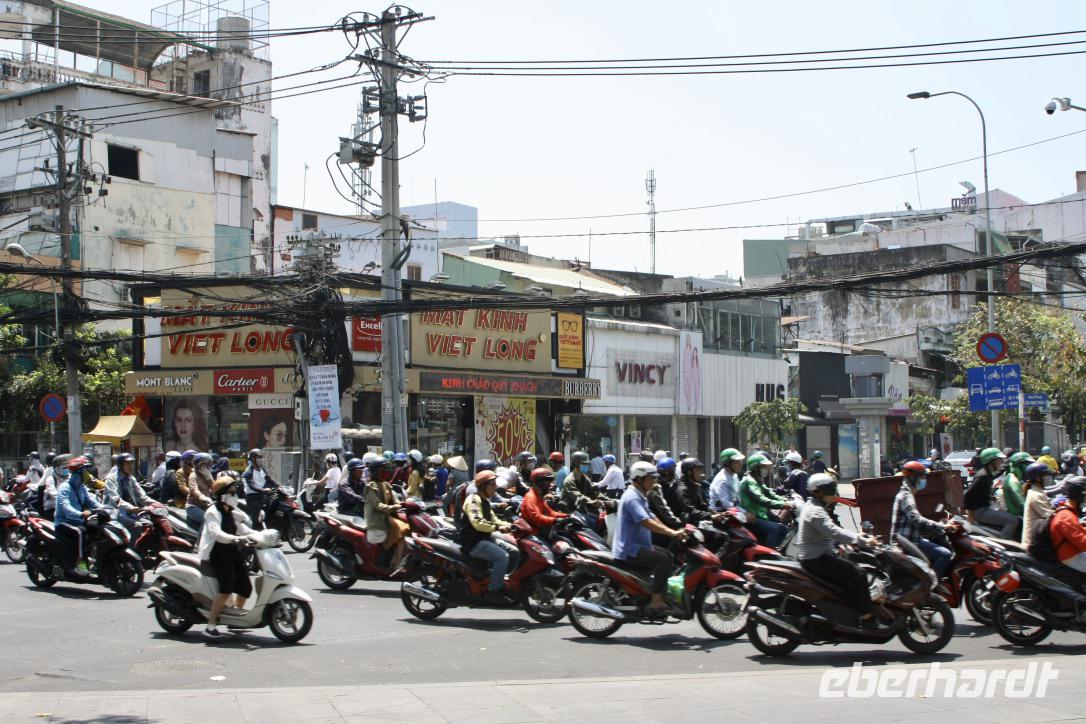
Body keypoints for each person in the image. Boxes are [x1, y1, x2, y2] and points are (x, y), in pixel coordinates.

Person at [796, 473, 883, 629]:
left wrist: (857, 536)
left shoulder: (815, 507)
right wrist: (863, 540)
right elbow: (834, 532)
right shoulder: (816, 511)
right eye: (829, 490)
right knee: (859, 574)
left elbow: (832, 531)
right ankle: (866, 618)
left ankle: (850, 610)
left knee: (850, 570)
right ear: (817, 492)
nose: (833, 494)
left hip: (819, 556)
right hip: (816, 560)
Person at [613, 461, 687, 615]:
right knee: (663, 559)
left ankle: (651, 592)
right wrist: (670, 532)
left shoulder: (640, 495)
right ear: (639, 478)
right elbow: (645, 521)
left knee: (668, 554)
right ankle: (656, 600)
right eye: (651, 478)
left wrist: (673, 530)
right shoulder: (632, 497)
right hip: (630, 549)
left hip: (639, 546)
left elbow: (652, 517)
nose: (654, 481)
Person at [199, 474, 257, 638]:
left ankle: (234, 618)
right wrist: (236, 538)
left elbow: (243, 529)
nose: (235, 495)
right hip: (217, 553)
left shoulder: (230, 511)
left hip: (231, 551)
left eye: (235, 492)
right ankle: (210, 626)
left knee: (246, 587)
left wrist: (262, 536)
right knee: (226, 589)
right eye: (231, 492)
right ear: (222, 495)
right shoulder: (212, 512)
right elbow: (216, 534)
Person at [459, 470, 520, 603]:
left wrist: (511, 525)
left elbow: (494, 519)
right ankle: (494, 589)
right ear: (482, 486)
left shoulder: (485, 501)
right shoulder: (473, 500)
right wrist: (498, 527)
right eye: (492, 484)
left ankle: (498, 579)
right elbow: (478, 523)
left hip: (485, 538)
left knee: (514, 552)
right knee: (502, 557)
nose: (495, 487)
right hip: (473, 542)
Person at [891, 461, 953, 577]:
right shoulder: (906, 496)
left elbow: (916, 523)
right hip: (908, 543)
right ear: (913, 478)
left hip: (912, 539)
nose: (924, 480)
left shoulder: (906, 494)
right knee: (945, 554)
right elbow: (916, 519)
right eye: (922, 476)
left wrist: (936, 525)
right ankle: (931, 588)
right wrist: (941, 526)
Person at [53, 456, 103, 575]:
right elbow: (66, 508)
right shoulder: (64, 488)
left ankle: (95, 559)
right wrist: (81, 514)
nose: (88, 473)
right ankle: (79, 563)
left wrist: (103, 508)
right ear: (79, 472)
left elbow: (91, 501)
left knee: (100, 528)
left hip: (79, 520)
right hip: (64, 522)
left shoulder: (81, 487)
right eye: (85, 470)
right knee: (81, 532)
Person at [739, 454, 793, 548]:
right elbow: (760, 498)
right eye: (764, 467)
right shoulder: (749, 481)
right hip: (752, 517)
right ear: (756, 468)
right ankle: (767, 555)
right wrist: (782, 504)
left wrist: (785, 500)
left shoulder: (758, 479)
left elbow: (769, 493)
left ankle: (774, 549)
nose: (767, 470)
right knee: (774, 528)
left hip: (760, 515)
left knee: (783, 529)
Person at [964, 447, 1019, 539]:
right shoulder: (982, 476)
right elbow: (967, 495)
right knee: (1013, 520)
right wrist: (970, 515)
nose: (1001, 462)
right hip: (981, 511)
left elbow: (996, 474)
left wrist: (1007, 465)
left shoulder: (987, 473)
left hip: (986, 508)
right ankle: (1004, 543)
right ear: (991, 461)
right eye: (999, 460)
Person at [364, 454, 407, 568]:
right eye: (383, 469)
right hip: (378, 520)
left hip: (386, 517)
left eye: (387, 469)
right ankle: (396, 564)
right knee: (402, 532)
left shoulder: (385, 484)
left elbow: (395, 499)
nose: (386, 472)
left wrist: (402, 503)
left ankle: (395, 561)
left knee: (406, 530)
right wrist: (393, 507)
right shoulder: (371, 486)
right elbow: (378, 505)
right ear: (376, 471)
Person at [665, 458, 720, 526]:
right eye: (698, 470)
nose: (701, 473)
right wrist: (710, 516)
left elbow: (702, 505)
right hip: (682, 527)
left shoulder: (694, 486)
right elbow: (690, 510)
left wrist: (716, 513)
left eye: (701, 470)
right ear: (689, 472)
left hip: (695, 522)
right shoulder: (682, 489)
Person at [105, 452, 154, 528]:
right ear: (120, 465)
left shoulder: (131, 478)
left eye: (131, 464)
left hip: (130, 511)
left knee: (150, 523)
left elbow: (142, 496)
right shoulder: (111, 479)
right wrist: (130, 507)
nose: (130, 466)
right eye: (127, 464)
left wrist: (155, 504)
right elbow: (115, 499)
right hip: (114, 511)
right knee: (138, 526)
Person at [1048, 477, 1086, 573]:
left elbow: (1076, 532)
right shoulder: (1066, 516)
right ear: (1079, 496)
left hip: (1072, 550)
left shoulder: (1066, 510)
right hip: (1070, 555)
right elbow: (1083, 544)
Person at [647, 458, 686, 547]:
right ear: (670, 473)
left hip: (663, 524)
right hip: (657, 528)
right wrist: (679, 524)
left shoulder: (667, 486)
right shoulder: (656, 488)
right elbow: (664, 510)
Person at [521, 467, 568, 536]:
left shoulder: (538, 495)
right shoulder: (531, 497)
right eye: (547, 482)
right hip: (534, 533)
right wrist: (555, 520)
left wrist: (567, 516)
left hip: (542, 529)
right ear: (539, 482)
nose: (550, 485)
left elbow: (550, 512)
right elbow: (537, 517)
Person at [560, 451, 610, 516]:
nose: (586, 466)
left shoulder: (585, 478)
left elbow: (594, 492)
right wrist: (592, 502)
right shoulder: (569, 480)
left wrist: (608, 500)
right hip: (569, 512)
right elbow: (577, 496)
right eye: (584, 464)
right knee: (592, 523)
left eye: (587, 464)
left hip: (580, 510)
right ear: (576, 464)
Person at [1022, 462, 1055, 549]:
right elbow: (1051, 516)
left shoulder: (1038, 491)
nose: (1049, 477)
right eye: (1046, 475)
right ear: (1037, 478)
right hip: (1033, 545)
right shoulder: (1035, 495)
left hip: (1039, 540)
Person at [241, 448, 275, 528]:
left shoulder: (262, 469)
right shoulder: (248, 471)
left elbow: (270, 480)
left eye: (261, 457)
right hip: (252, 497)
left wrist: (280, 486)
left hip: (262, 495)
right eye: (259, 457)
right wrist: (264, 490)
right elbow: (252, 486)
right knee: (256, 521)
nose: (261, 459)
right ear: (253, 459)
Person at [185, 452, 215, 528]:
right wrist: (203, 497)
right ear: (199, 465)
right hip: (193, 507)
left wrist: (208, 476)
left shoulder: (207, 475)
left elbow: (215, 488)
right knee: (208, 521)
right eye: (206, 464)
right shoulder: (193, 476)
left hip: (206, 506)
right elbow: (195, 490)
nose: (208, 466)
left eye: (209, 464)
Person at [1000, 452, 1034, 517]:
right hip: (1018, 516)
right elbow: (1021, 504)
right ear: (1020, 465)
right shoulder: (1013, 481)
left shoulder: (1015, 478)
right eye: (1027, 464)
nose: (1029, 468)